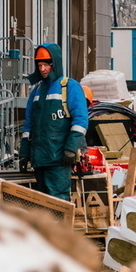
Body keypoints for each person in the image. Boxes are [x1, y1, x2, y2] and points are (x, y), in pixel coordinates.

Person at [18, 43, 89, 201]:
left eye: (46, 65)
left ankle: (60, 227)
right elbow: (28, 125)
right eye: (40, 65)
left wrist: (71, 148)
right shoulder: (36, 91)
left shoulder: (70, 87)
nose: (42, 69)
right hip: (40, 159)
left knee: (58, 201)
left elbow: (81, 120)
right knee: (45, 203)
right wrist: (24, 154)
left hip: (58, 159)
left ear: (54, 64)